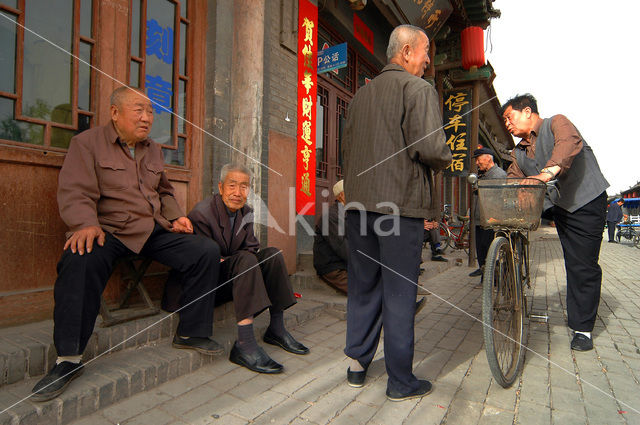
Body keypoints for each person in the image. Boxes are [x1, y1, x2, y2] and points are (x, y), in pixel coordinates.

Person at [31, 87, 222, 402]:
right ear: (115, 112)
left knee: (205, 250)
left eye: (150, 112)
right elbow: (75, 189)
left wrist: (174, 217)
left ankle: (191, 332)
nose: (147, 117)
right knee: (80, 258)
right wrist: (84, 224)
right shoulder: (86, 144)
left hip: (151, 229)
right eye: (139, 110)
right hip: (109, 229)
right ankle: (68, 359)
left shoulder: (154, 150)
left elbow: (164, 190)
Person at [341, 25, 452, 400]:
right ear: (406, 52)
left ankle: (357, 365)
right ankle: (400, 381)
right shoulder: (417, 90)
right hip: (399, 208)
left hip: (359, 207)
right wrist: (447, 157)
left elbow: (348, 152)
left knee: (363, 285)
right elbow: (432, 149)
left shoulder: (360, 96)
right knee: (400, 292)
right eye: (424, 53)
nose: (427, 62)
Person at [502, 93, 609, 352]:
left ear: (527, 111)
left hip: (586, 201)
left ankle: (582, 328)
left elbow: (568, 145)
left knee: (581, 265)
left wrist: (545, 174)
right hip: (558, 206)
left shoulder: (556, 123)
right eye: (504, 120)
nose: (507, 124)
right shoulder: (518, 152)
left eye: (509, 117)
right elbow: (513, 178)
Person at [181, 163, 309, 374]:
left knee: (273, 255)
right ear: (221, 188)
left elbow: (251, 247)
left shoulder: (245, 212)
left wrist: (236, 260)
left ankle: (276, 328)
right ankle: (245, 343)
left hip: (232, 273)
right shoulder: (202, 214)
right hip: (207, 285)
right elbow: (203, 259)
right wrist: (235, 261)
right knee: (245, 260)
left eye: (244, 187)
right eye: (232, 186)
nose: (237, 193)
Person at [469, 147, 507, 278]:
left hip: (491, 219)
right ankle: (484, 276)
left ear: (488, 158)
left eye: (479, 160)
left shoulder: (498, 174)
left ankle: (493, 279)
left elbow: (497, 198)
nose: (477, 163)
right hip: (481, 218)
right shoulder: (483, 174)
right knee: (481, 249)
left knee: (489, 250)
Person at [313, 180, 349, 294]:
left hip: (346, 264)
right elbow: (342, 248)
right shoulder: (331, 216)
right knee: (364, 292)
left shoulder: (348, 212)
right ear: (342, 196)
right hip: (333, 268)